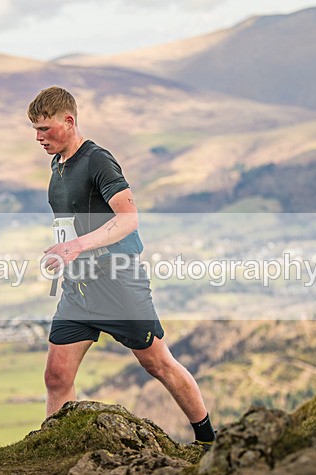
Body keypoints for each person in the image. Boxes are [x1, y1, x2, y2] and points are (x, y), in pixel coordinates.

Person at [28, 86, 216, 448]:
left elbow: (129, 219)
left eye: (44, 129)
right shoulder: (58, 164)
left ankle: (208, 440)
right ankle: (51, 450)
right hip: (79, 286)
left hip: (117, 282)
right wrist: (64, 251)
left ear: (68, 121)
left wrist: (77, 245)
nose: (38, 137)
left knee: (158, 364)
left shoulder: (98, 160)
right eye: (34, 130)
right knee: (56, 376)